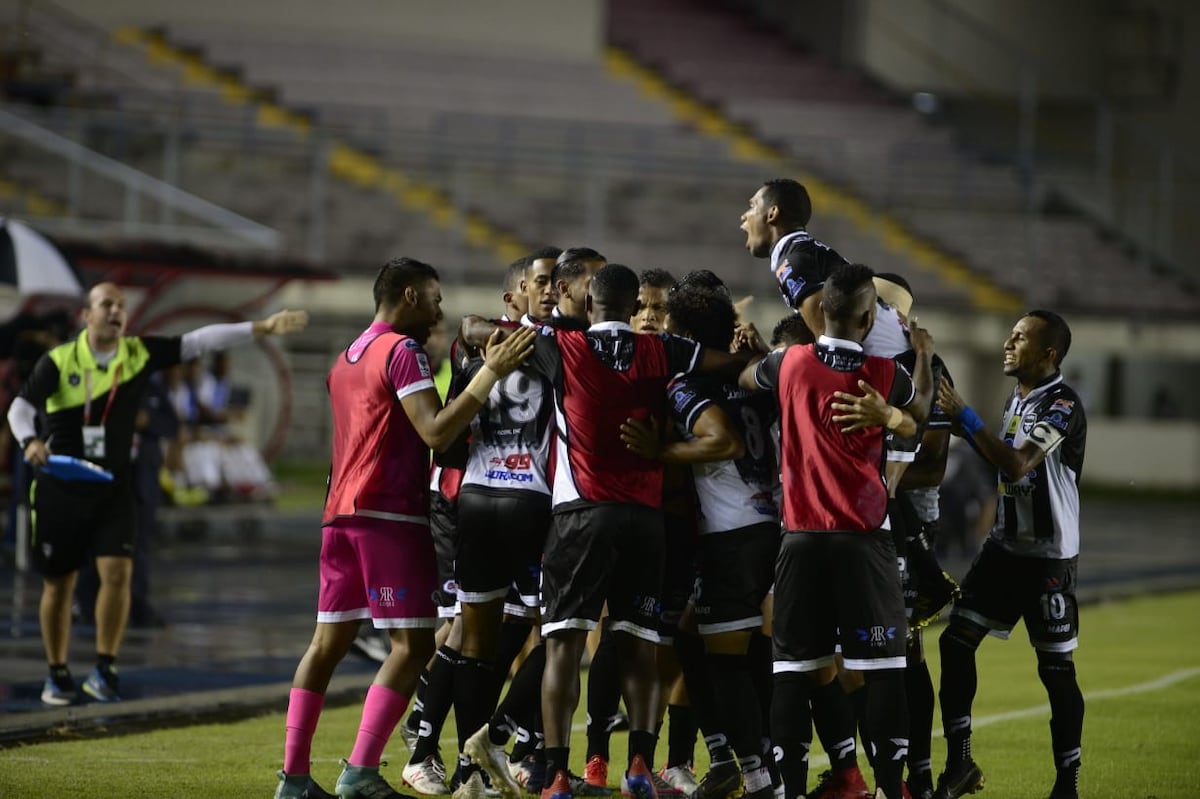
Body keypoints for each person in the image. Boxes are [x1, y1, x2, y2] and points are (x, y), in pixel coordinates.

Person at [274, 258, 535, 799]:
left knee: (325, 644)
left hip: (337, 516)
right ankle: (360, 772)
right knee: (413, 644)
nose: (440, 312)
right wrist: (490, 372)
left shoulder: (347, 356)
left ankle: (294, 779)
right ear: (410, 295)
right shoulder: (402, 351)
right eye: (435, 299)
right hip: (388, 514)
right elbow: (436, 431)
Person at [8, 283, 307, 707]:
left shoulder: (137, 354)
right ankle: (57, 672)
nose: (115, 311)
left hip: (112, 486)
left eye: (121, 305)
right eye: (106, 305)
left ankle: (104, 667)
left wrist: (261, 327)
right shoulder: (59, 362)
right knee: (59, 585)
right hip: (61, 487)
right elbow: (19, 409)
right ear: (86, 316)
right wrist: (29, 441)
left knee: (119, 575)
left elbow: (200, 340)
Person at [746, 263, 932, 799]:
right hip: (865, 540)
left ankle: (793, 790)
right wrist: (919, 354)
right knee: (883, 670)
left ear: (820, 312)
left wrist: (759, 353)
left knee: (793, 670)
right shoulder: (882, 374)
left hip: (800, 541)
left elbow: (747, 377)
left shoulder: (788, 363)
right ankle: (892, 787)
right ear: (870, 316)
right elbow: (918, 410)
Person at [622, 284, 780, 799]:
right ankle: (759, 763)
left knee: (726, 663)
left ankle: (759, 776)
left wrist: (662, 449)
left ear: (686, 335)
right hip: (771, 525)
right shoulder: (749, 378)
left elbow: (724, 441)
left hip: (730, 535)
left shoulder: (686, 384)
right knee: (718, 644)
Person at [931, 311, 1086, 799]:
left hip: (1047, 558)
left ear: (1049, 354)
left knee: (1056, 672)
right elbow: (997, 450)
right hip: (1004, 549)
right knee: (955, 644)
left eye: (1020, 337)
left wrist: (966, 416)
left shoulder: (1061, 404)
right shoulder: (1018, 398)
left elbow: (1018, 465)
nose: (1007, 342)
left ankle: (1067, 784)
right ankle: (960, 764)